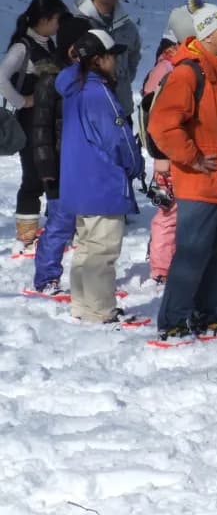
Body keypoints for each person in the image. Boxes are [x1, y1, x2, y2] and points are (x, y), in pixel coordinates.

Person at [147, 0, 217, 340]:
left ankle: (208, 316)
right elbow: (161, 126)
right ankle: (173, 321)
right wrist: (191, 157)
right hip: (198, 181)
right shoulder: (187, 72)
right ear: (207, 34)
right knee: (191, 255)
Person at [56, 30, 145, 325]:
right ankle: (99, 310)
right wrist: (134, 165)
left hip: (78, 182)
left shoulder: (73, 87)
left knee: (86, 246)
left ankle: (82, 304)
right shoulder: (98, 92)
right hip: (102, 181)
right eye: (111, 56)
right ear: (98, 59)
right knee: (102, 250)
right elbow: (117, 138)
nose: (116, 62)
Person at [27, 16, 91, 295]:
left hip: (83, 162)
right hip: (58, 164)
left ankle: (88, 279)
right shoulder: (50, 80)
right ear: (71, 47)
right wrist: (46, 168)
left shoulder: (88, 77)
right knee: (60, 223)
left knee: (89, 225)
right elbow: (40, 128)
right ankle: (46, 276)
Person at [2, 0, 67, 249]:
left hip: (51, 121)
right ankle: (27, 235)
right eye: (56, 20)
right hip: (30, 122)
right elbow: (1, 78)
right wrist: (22, 101)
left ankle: (56, 229)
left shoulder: (50, 44)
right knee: (32, 176)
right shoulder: (23, 47)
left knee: (53, 171)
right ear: (45, 19)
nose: (58, 26)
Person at [142, 4, 192, 284]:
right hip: (167, 152)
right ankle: (161, 267)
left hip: (179, 149)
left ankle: (167, 258)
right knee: (169, 211)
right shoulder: (168, 67)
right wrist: (160, 155)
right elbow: (154, 115)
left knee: (178, 210)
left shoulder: (171, 63)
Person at [74, 0, 141, 118]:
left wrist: (124, 78)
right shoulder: (78, 23)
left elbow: (134, 56)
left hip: (122, 108)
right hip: (91, 109)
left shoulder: (127, 26)